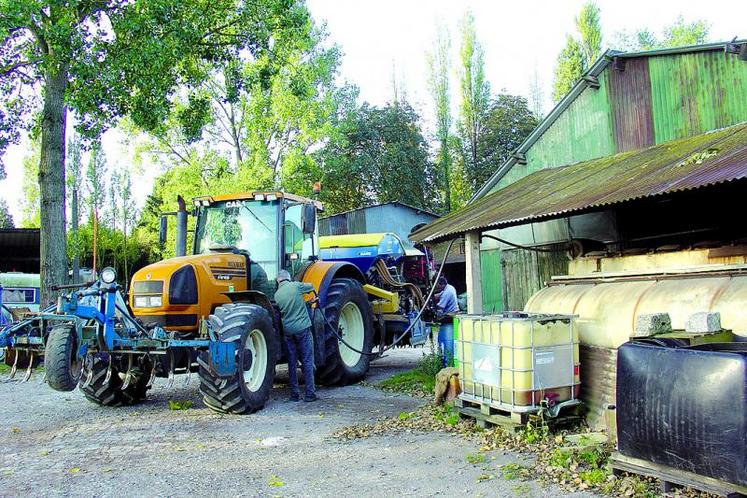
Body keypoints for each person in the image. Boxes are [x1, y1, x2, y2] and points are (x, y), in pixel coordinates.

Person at [274, 270, 317, 402]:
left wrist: (309, 303)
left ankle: (294, 394)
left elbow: (290, 309)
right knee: (307, 360)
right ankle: (310, 394)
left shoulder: (277, 295)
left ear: (278, 281)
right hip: (302, 329)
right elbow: (311, 286)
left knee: (292, 363)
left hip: (288, 332)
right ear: (288, 278)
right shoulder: (295, 286)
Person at [434, 276, 459, 367]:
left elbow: (440, 307)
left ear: (442, 284)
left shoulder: (447, 293)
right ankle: (447, 363)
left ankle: (448, 365)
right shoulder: (450, 287)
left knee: (446, 346)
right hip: (453, 314)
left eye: (438, 286)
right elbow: (441, 294)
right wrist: (436, 296)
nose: (437, 288)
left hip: (449, 316)